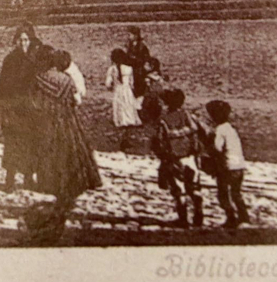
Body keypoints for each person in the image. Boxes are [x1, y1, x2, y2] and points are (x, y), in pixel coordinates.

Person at [28, 47, 102, 243]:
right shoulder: (66, 80)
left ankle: (50, 183)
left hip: (46, 123)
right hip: (66, 122)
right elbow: (75, 101)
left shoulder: (38, 79)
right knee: (70, 152)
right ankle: (69, 185)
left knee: (48, 153)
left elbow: (33, 104)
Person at [0, 23, 43, 188]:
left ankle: (28, 178)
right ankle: (9, 180)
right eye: (20, 40)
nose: (23, 43)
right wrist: (2, 108)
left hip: (30, 109)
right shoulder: (10, 60)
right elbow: (1, 86)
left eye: (26, 40)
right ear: (16, 41)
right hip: (14, 109)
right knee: (12, 144)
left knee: (31, 143)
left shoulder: (35, 60)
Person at [150, 89, 205, 227]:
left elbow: (160, 140)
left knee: (179, 189)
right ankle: (199, 214)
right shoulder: (187, 115)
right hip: (190, 156)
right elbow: (196, 131)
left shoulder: (164, 120)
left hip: (174, 158)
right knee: (194, 187)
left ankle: (183, 219)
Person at [206, 99, 249, 228]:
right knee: (236, 193)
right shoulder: (231, 129)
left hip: (227, 167)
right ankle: (244, 217)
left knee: (223, 194)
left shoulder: (219, 130)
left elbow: (217, 148)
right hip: (239, 165)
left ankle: (231, 217)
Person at [105, 47, 143, 151]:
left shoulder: (112, 69)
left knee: (120, 114)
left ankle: (121, 138)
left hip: (118, 92)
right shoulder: (129, 68)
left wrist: (112, 86)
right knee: (129, 113)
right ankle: (126, 138)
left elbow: (108, 84)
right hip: (127, 92)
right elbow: (132, 83)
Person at [122, 26, 153, 100]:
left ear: (135, 36)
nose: (128, 37)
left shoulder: (142, 47)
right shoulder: (129, 45)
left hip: (139, 70)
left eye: (130, 35)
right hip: (131, 69)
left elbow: (146, 59)